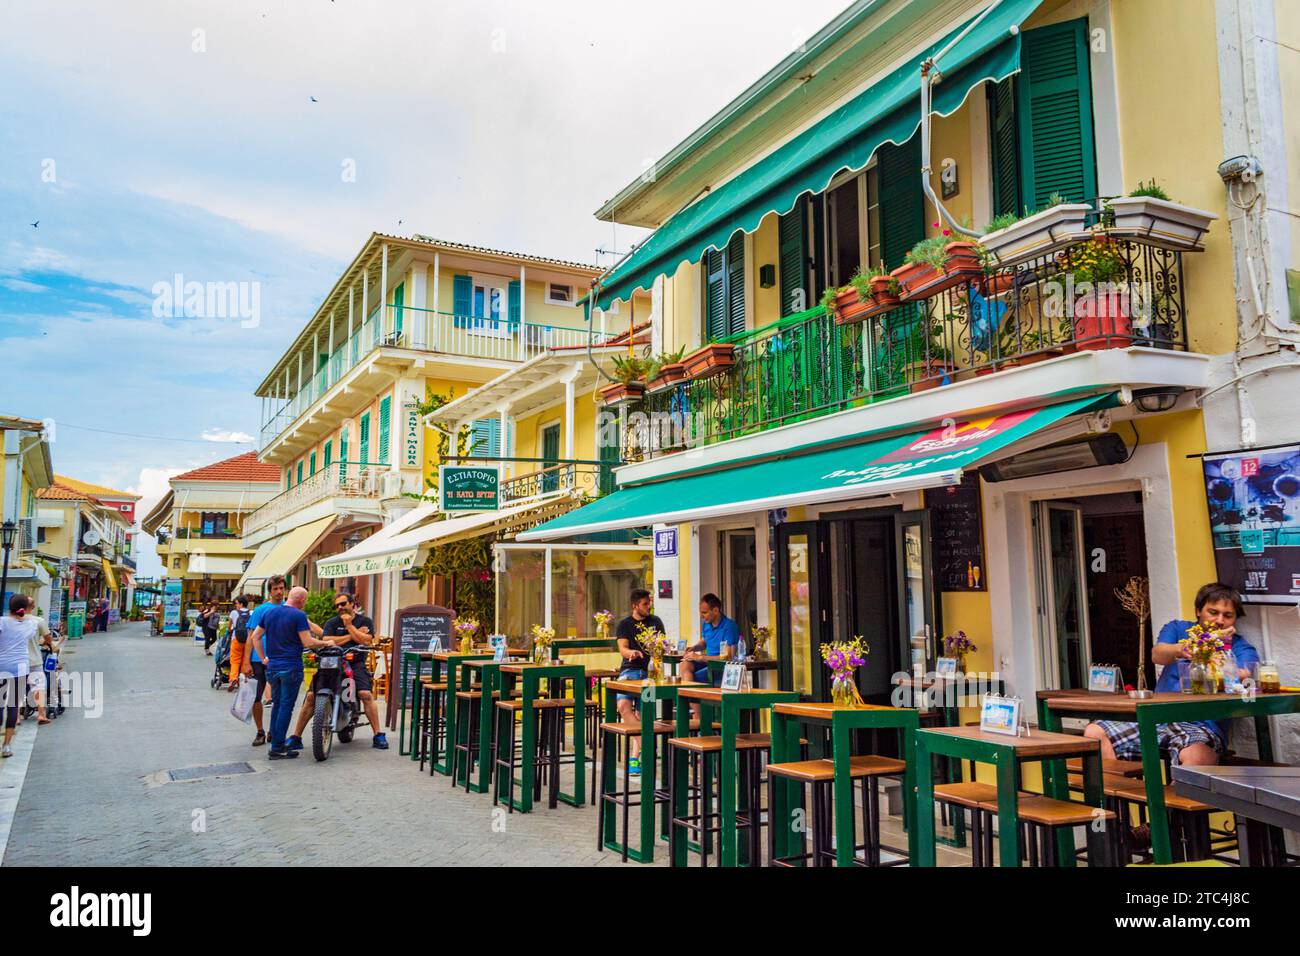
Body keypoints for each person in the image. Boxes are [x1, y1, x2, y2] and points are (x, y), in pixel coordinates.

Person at [1084, 582, 1260, 768]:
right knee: (1095, 731)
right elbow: (1158, 655)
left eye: (1228, 615)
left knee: (1196, 754)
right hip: (1157, 719)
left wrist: (1217, 651)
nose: (1219, 620)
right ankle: (1118, 791)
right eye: (1213, 612)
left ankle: (1177, 797)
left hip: (1201, 726)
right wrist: (1188, 647)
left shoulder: (1241, 647)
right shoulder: (1178, 629)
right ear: (1198, 611)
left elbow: (1245, 675)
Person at [286, 591, 388, 751]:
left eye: (343, 604)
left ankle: (378, 735)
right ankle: (296, 737)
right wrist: (353, 634)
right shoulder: (331, 622)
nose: (340, 608)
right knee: (311, 696)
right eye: (337, 605)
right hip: (330, 661)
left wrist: (348, 626)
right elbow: (326, 640)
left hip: (355, 663)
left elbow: (367, 640)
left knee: (365, 695)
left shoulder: (365, 620)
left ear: (352, 603)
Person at [246, 586, 329, 759]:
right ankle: (277, 747)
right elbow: (307, 642)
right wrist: (327, 644)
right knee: (285, 707)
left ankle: (277, 743)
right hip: (290, 666)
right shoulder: (298, 615)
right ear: (302, 600)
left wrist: (263, 658)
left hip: (272, 667)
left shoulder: (269, 613)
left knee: (277, 705)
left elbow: (255, 637)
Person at [614, 588, 667, 777]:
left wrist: (658, 650)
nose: (649, 606)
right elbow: (622, 648)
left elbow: (663, 645)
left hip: (649, 676)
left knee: (644, 713)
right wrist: (632, 653)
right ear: (635, 606)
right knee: (622, 706)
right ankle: (647, 744)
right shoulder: (625, 624)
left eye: (649, 603)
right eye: (645, 604)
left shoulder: (655, 622)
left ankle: (634, 758)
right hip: (629, 672)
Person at [1, 595, 51, 757]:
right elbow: (43, 638)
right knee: (13, 705)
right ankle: (6, 745)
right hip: (21, 669)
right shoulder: (32, 624)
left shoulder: (2, 621)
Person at [242, 577, 288, 746]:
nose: (279, 591)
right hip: (257, 660)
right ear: (270, 591)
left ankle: (274, 730)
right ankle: (260, 730)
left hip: (281, 659)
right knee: (256, 697)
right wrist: (246, 662)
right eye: (275, 588)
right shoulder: (261, 610)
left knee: (280, 698)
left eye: (281, 588)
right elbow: (250, 637)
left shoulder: (289, 608)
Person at [681, 593, 739, 687]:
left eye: (704, 613)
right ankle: (691, 700)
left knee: (694, 676)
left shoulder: (729, 626)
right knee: (684, 665)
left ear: (715, 610)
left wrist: (700, 657)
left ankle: (691, 700)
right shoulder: (707, 624)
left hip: (720, 667)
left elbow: (728, 656)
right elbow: (704, 642)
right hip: (707, 663)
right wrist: (693, 648)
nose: (701, 616)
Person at [225, 595, 252, 693]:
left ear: (240, 603)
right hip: (248, 640)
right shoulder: (251, 612)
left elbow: (229, 627)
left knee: (235, 660)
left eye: (236, 603)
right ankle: (243, 681)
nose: (236, 605)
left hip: (236, 639)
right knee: (245, 660)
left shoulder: (234, 613)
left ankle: (233, 679)